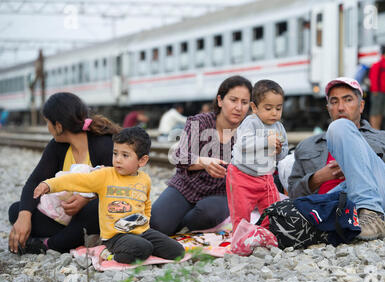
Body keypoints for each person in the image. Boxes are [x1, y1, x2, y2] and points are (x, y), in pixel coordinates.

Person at [287, 77, 385, 240]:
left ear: (361, 106)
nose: (341, 107)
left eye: (348, 100)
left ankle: (370, 211)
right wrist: (317, 178)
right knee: (297, 215)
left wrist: (367, 157)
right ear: (328, 108)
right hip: (333, 203)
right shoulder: (308, 146)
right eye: (334, 102)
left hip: (382, 195)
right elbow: (293, 194)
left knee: (340, 126)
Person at [33, 127, 184, 264]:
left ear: (142, 160)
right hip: (116, 235)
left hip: (141, 230)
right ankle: (109, 254)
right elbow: (76, 180)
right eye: (115, 153)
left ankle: (141, 247)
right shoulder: (105, 175)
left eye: (125, 155)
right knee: (143, 248)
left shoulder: (144, 179)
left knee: (177, 251)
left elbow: (146, 204)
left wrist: (147, 223)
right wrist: (49, 184)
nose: (117, 159)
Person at [8, 92, 121, 255]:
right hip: (67, 218)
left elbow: (119, 185)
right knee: (17, 210)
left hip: (96, 214)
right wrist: (24, 217)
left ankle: (50, 245)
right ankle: (75, 238)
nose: (48, 127)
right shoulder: (57, 146)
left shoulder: (103, 144)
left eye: (48, 122)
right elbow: (35, 182)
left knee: (96, 208)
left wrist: (87, 198)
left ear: (58, 126)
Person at [150, 75, 252, 236]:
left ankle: (184, 222)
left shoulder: (248, 133)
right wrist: (202, 161)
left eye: (244, 102)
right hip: (185, 186)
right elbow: (178, 155)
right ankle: (176, 219)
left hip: (221, 194)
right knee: (157, 225)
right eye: (233, 100)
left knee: (206, 215)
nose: (239, 107)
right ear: (220, 100)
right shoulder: (200, 122)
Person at [226, 79, 288, 233]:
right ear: (254, 107)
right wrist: (266, 141)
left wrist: (280, 151)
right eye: (268, 108)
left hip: (266, 177)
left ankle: (268, 233)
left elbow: (283, 152)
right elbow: (243, 144)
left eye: (278, 108)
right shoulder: (250, 122)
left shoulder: (279, 127)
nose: (274, 113)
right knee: (241, 212)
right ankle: (241, 237)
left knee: (272, 210)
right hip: (242, 176)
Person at [369, 44, 385, 130]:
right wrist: (375, 90)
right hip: (378, 91)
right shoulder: (378, 64)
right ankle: (374, 130)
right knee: (375, 111)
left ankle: (377, 129)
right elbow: (373, 78)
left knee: (381, 112)